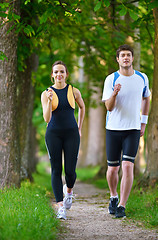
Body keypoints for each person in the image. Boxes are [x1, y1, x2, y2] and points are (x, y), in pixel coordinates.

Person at [102, 44, 150, 218]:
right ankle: (113, 196)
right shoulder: (111, 79)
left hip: (133, 129)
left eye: (128, 55)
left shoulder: (142, 78)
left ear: (132, 58)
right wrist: (114, 94)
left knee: (128, 166)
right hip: (113, 129)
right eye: (122, 55)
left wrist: (143, 123)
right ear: (118, 59)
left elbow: (146, 98)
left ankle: (122, 205)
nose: (126, 58)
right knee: (113, 169)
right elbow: (109, 107)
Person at [41, 60, 85, 220]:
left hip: (72, 134)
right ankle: (60, 207)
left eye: (62, 71)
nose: (59, 74)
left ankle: (69, 191)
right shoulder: (46, 93)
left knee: (70, 172)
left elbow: (82, 107)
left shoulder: (74, 91)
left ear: (66, 74)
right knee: (56, 169)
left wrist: (79, 128)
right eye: (56, 72)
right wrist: (50, 100)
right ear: (52, 75)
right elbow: (47, 118)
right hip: (53, 134)